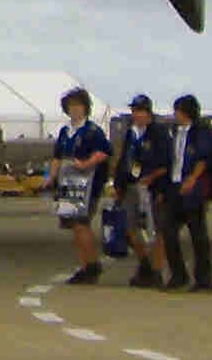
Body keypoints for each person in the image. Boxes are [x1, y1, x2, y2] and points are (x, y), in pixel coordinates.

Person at [50, 89, 111, 285]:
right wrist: (50, 177)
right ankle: (85, 264)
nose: (75, 110)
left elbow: (104, 152)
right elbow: (57, 156)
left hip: (88, 184)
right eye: (71, 106)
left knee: (81, 223)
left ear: (86, 108)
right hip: (68, 184)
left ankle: (92, 264)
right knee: (73, 226)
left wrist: (86, 164)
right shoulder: (65, 132)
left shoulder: (93, 131)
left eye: (79, 106)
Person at [115, 94, 173, 289]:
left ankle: (156, 271)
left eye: (140, 110)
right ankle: (145, 265)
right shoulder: (131, 133)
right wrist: (118, 185)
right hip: (132, 186)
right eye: (134, 111)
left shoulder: (159, 132)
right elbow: (124, 160)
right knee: (129, 228)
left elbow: (166, 162)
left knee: (156, 231)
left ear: (148, 112)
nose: (136, 114)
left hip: (154, 187)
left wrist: (154, 179)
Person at [165, 95, 212, 292]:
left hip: (193, 188)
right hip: (174, 185)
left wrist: (193, 178)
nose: (175, 114)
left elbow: (204, 158)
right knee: (169, 231)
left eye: (177, 110)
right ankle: (179, 275)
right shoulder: (174, 131)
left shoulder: (200, 132)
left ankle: (204, 279)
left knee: (198, 235)